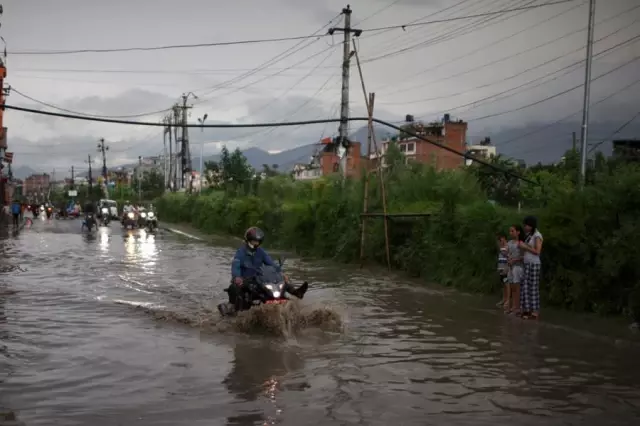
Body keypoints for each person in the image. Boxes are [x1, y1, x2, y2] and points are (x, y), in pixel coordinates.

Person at [228, 226, 308, 307]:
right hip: (245, 280)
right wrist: (237, 277)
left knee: (283, 283)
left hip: (259, 278)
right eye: (254, 241)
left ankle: (297, 292)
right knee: (239, 291)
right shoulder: (240, 252)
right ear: (248, 240)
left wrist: (281, 273)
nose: (256, 243)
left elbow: (271, 263)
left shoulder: (261, 252)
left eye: (258, 241)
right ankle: (238, 308)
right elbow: (236, 266)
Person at [519, 216, 543, 320]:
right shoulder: (528, 235)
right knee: (525, 286)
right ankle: (527, 309)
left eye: (527, 225)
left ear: (531, 225)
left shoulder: (537, 236)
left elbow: (537, 251)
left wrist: (525, 247)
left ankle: (535, 311)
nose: (525, 227)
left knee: (533, 287)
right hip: (527, 263)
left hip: (534, 264)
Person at [506, 225, 525, 315]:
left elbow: (523, 257)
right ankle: (513, 307)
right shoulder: (509, 243)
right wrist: (509, 259)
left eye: (512, 231)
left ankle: (518, 307)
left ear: (518, 232)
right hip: (510, 267)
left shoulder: (520, 243)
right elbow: (508, 253)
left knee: (517, 288)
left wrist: (515, 260)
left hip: (518, 267)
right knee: (512, 288)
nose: (511, 233)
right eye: (510, 231)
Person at [496, 233, 509, 308]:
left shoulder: (507, 246)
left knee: (506, 283)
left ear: (504, 238)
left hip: (506, 268)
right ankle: (504, 299)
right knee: (503, 284)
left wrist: (501, 247)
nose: (500, 241)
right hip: (501, 267)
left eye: (500, 239)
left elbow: (506, 254)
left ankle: (507, 300)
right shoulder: (502, 247)